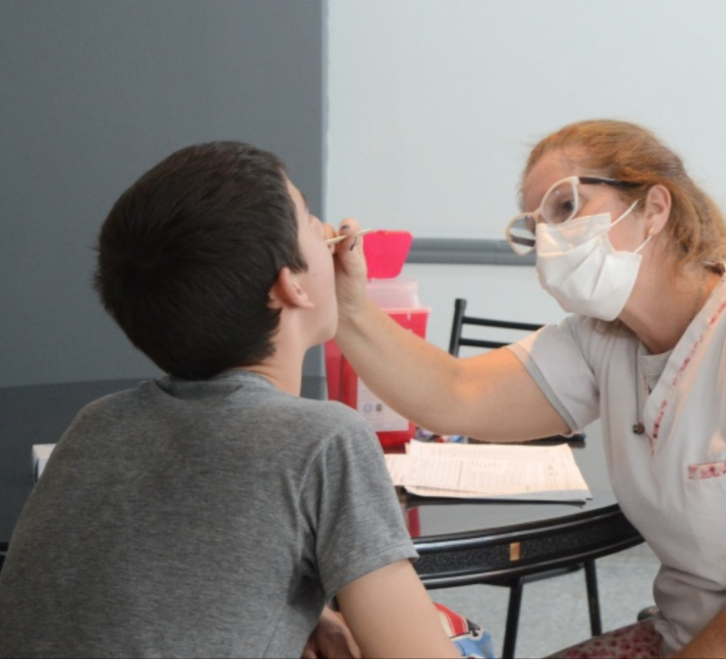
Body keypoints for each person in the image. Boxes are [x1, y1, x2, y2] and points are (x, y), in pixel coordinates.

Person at [329, 119, 726, 658]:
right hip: (689, 635)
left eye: (566, 207)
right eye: (535, 225)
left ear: (654, 208)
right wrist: (350, 306)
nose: (549, 240)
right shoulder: (603, 340)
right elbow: (456, 393)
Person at [0, 142, 463, 659]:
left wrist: (307, 615)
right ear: (291, 285)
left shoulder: (95, 424)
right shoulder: (326, 440)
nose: (328, 229)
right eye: (309, 218)